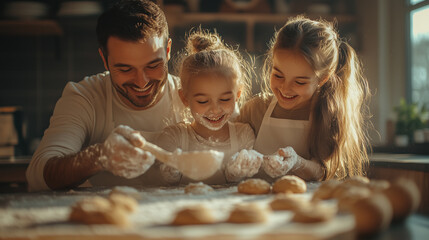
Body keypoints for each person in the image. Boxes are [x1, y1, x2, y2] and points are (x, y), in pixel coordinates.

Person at [26, 0, 186, 191]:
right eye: (125, 69)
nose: (141, 82)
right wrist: (100, 156)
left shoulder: (196, 96)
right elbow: (38, 176)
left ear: (167, 51)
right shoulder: (85, 97)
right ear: (104, 59)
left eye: (153, 66)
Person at [236, 16, 371, 181]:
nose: (285, 88)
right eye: (278, 75)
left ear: (322, 79)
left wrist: (297, 163)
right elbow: (229, 151)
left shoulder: (326, 116)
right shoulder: (254, 110)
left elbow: (322, 171)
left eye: (299, 82)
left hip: (302, 204)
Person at [155, 30, 263, 185]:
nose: (215, 109)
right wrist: (169, 172)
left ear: (238, 94)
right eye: (203, 101)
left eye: (225, 99)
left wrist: (236, 174)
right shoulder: (174, 138)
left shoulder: (243, 136)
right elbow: (161, 183)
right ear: (185, 98)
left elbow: (249, 182)